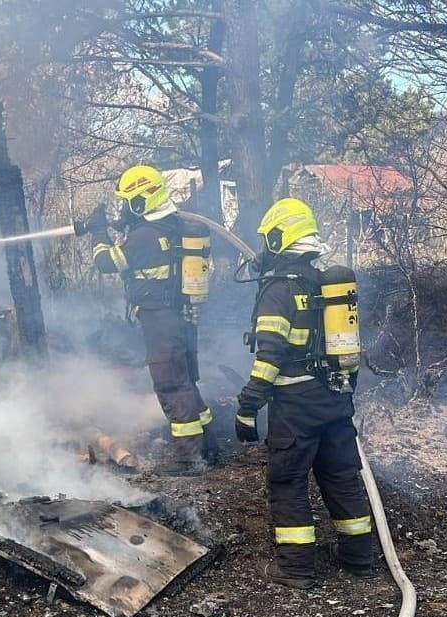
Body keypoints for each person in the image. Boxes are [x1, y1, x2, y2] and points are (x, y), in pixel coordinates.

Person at [234, 197, 375, 588]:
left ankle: (296, 568)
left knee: (288, 482)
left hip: (295, 407)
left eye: (268, 239)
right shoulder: (327, 284)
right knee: (341, 477)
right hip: (335, 399)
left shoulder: (279, 291)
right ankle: (359, 559)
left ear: (279, 239)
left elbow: (269, 358)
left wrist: (248, 407)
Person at [80, 165, 219, 475]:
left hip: (161, 320)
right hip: (181, 317)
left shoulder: (144, 237)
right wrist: (121, 222)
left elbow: (105, 262)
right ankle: (209, 448)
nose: (125, 207)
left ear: (142, 201)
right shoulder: (172, 225)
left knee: (171, 385)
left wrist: (98, 231)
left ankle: (189, 459)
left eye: (128, 202)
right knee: (185, 381)